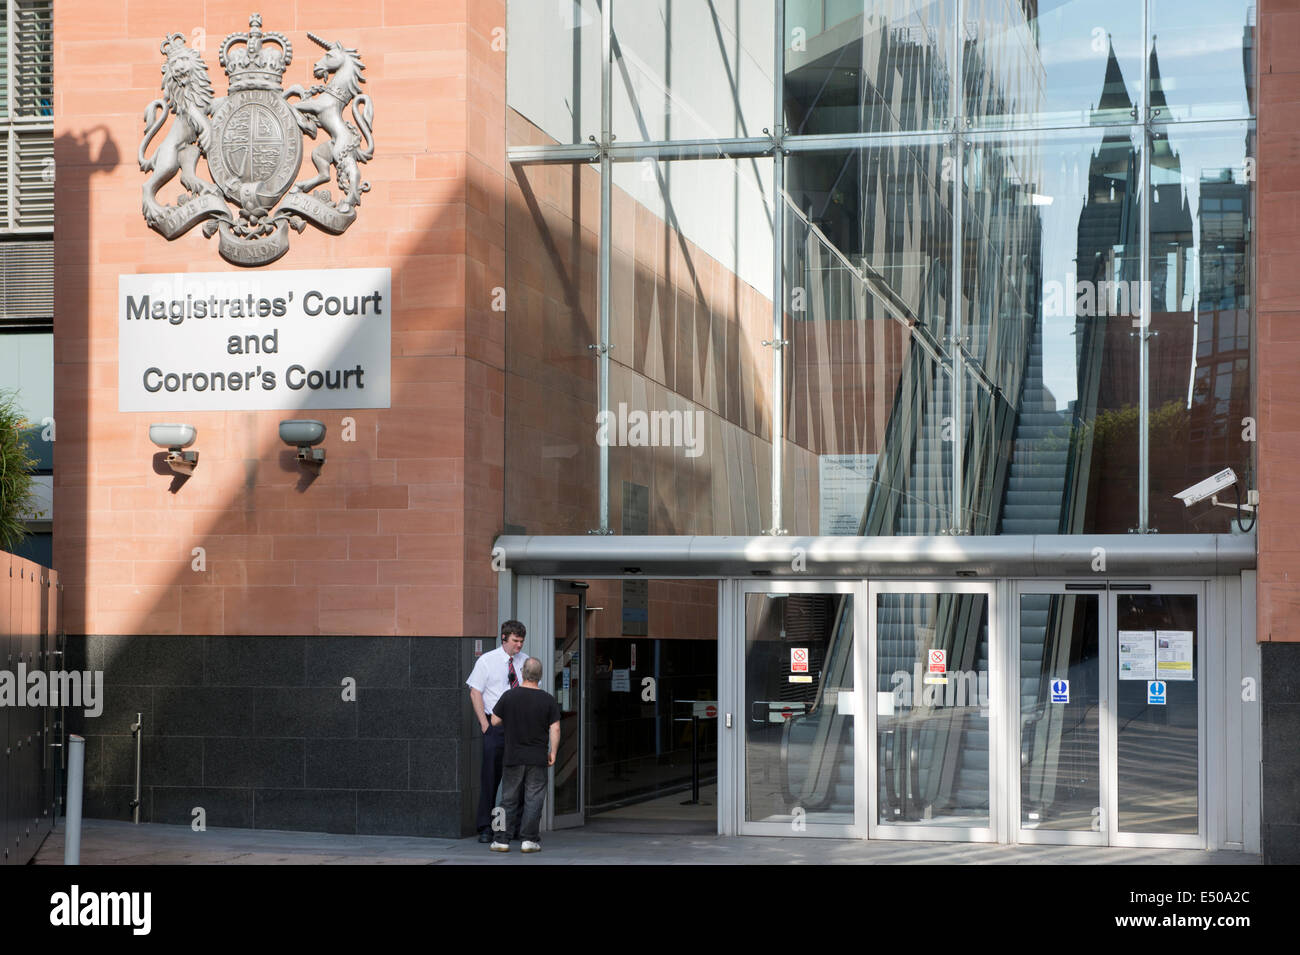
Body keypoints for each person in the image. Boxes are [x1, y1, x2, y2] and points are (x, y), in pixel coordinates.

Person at [488, 656, 560, 853]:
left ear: (522, 673)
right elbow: (555, 729)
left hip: (513, 756)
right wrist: (553, 751)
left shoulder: (509, 696)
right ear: (540, 676)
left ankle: (501, 840)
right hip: (537, 758)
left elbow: (494, 721)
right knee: (534, 799)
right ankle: (529, 840)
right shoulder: (548, 700)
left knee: (507, 799)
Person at [466, 620, 529, 843]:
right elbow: (475, 692)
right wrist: (484, 724)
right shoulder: (487, 661)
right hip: (495, 726)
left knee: (519, 780)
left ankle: (515, 827)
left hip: (519, 729)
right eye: (515, 641)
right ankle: (485, 827)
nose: (519, 646)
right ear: (504, 638)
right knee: (490, 778)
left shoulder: (525, 662)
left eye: (521, 641)